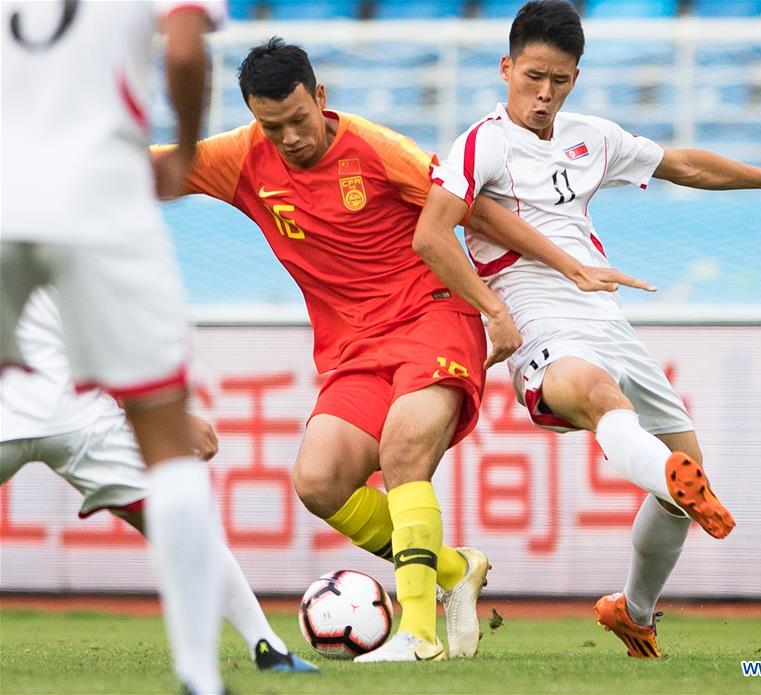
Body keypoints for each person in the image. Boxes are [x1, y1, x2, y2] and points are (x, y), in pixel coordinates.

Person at [154, 37, 648, 662]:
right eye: (272, 127)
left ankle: (417, 635)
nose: (290, 138)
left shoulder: (381, 151)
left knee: (403, 453)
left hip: (434, 314)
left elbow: (476, 212)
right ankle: (452, 569)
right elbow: (147, 169)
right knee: (319, 480)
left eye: (299, 120)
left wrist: (560, 269)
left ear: (321, 98)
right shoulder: (241, 157)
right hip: (355, 348)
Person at [415, 0, 761, 659]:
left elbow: (682, 164)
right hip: (537, 316)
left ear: (575, 79)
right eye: (532, 76)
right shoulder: (482, 143)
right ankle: (663, 471)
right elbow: (431, 233)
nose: (544, 93)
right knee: (598, 396)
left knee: (684, 483)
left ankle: (635, 611)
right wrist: (493, 311)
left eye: (559, 80)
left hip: (606, 313)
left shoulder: (590, 136)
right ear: (506, 69)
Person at [1, 3, 236, 691]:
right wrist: (184, 149)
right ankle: (200, 674)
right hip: (101, 199)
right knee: (168, 447)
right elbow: (185, 50)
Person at [0, 288, 317, 675]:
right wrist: (167, 418)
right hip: (75, 415)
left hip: (30, 410)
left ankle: (266, 646)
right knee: (186, 530)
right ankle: (267, 647)